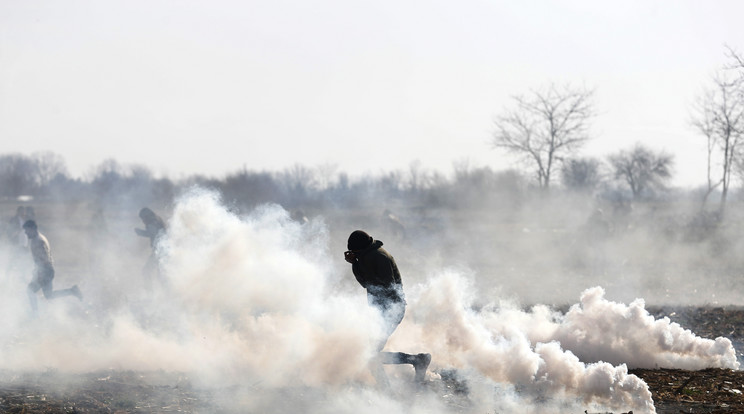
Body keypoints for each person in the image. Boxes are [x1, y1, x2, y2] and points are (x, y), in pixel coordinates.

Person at [344, 230, 431, 385]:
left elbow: (386, 285)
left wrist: (356, 264)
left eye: (355, 251)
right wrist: (356, 264)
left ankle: (388, 391)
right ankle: (417, 360)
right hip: (382, 310)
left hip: (391, 310)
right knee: (370, 353)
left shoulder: (379, 257)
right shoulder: (367, 256)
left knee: (371, 354)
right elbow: (368, 283)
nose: (354, 254)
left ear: (360, 249)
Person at [23, 220, 83, 313]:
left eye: (27, 230)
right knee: (49, 295)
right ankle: (72, 291)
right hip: (47, 271)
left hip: (45, 271)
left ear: (33, 229)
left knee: (30, 290)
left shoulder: (39, 241)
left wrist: (39, 272)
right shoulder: (38, 239)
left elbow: (44, 260)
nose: (25, 233)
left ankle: (34, 314)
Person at [134, 207, 167, 283]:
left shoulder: (152, 223)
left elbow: (152, 233)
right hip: (162, 251)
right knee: (161, 274)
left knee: (147, 271)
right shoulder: (157, 221)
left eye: (143, 218)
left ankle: (150, 292)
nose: (143, 221)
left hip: (159, 252)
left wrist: (139, 232)